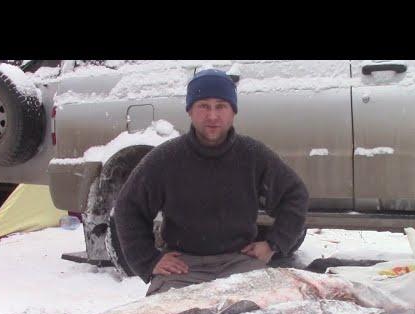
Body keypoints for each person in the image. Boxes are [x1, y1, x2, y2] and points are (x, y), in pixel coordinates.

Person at [114, 68, 309, 296]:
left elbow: (295, 195)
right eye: (203, 106)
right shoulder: (166, 159)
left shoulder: (253, 155)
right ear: (190, 111)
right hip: (183, 268)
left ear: (233, 111)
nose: (213, 116)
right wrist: (149, 260)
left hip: (240, 263)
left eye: (221, 106)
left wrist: (273, 244)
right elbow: (128, 207)